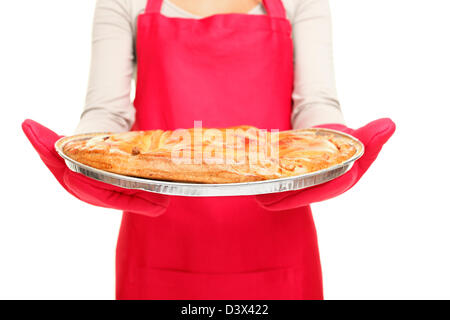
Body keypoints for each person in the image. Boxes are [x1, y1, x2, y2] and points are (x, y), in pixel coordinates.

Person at [22, 0, 395, 299]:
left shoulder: (301, 3)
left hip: (277, 241)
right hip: (159, 237)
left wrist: (335, 145)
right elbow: (106, 113)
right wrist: (84, 157)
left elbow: (316, 104)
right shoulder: (125, 3)